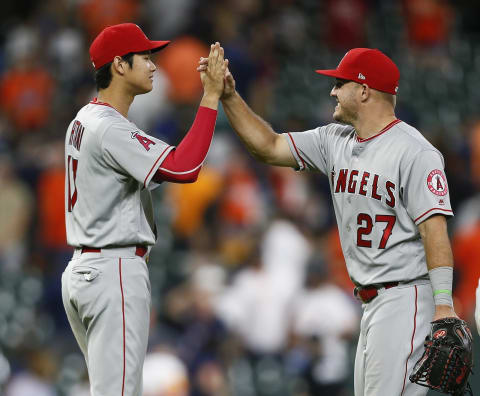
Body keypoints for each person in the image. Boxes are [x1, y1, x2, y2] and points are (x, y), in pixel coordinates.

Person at [199, 47, 461, 395]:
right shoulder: (333, 140)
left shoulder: (416, 152)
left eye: (341, 83)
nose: (332, 91)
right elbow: (268, 145)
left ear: (364, 91)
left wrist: (444, 305)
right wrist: (230, 96)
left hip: (406, 296)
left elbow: (435, 231)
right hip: (370, 304)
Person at [62, 23, 226, 396]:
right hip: (112, 269)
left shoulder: (83, 120)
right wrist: (211, 97)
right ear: (119, 65)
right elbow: (184, 168)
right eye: (146, 58)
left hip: (84, 269)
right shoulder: (108, 127)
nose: (154, 66)